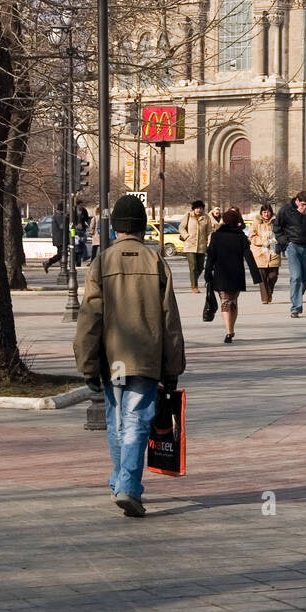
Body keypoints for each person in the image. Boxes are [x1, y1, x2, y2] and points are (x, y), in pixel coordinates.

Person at [73, 193, 185, 518]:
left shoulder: (102, 262)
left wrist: (88, 365)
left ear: (117, 226)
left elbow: (89, 318)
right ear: (140, 225)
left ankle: (120, 481)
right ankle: (128, 487)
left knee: (116, 420)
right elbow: (169, 320)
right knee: (137, 420)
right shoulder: (156, 262)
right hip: (147, 357)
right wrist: (172, 367)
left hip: (113, 359)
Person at [205, 207, 255, 342]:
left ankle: (228, 331)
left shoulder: (216, 236)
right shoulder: (241, 237)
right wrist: (256, 275)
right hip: (236, 274)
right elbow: (248, 256)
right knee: (233, 301)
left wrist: (207, 273)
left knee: (225, 301)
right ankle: (231, 329)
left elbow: (211, 256)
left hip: (221, 273)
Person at [274, 190, 306, 318]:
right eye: (302, 204)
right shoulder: (286, 210)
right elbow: (277, 228)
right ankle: (295, 307)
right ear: (296, 200)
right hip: (293, 246)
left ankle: (297, 297)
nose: (304, 206)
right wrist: (286, 242)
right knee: (296, 276)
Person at [248, 203, 281, 303]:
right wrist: (264, 241)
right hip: (260, 253)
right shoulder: (256, 222)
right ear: (261, 213)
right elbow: (252, 237)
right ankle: (265, 298)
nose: (266, 214)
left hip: (273, 252)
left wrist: (277, 239)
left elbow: (281, 233)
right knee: (262, 278)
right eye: (264, 212)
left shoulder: (276, 222)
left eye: (268, 212)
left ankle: (270, 290)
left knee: (273, 276)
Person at [179, 199, 211, 293]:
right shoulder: (189, 216)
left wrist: (209, 242)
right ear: (193, 209)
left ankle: (193, 279)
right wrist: (186, 235)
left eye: (200, 208)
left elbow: (209, 231)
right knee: (193, 266)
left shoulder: (206, 218)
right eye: (197, 208)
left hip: (201, 246)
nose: (198, 210)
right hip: (190, 245)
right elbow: (181, 227)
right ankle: (194, 286)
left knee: (200, 267)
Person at [46, 202, 65, 274]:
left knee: (61, 253)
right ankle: (49, 262)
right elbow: (62, 226)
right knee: (61, 253)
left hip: (58, 238)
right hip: (60, 238)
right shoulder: (59, 216)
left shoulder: (56, 216)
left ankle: (61, 267)